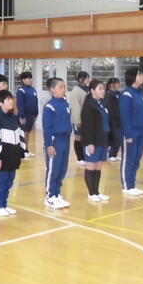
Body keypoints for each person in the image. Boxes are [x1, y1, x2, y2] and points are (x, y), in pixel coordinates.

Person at [0, 89, 26, 217]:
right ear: (0, 103)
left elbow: (19, 135)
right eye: (8, 99)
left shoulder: (14, 118)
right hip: (1, 158)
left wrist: (21, 151)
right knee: (1, 182)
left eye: (11, 98)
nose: (11, 101)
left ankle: (4, 204)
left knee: (9, 181)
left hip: (12, 157)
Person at [42, 77, 72, 209]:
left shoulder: (65, 104)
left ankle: (56, 193)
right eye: (60, 87)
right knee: (53, 169)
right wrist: (49, 145)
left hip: (65, 139)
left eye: (64, 87)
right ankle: (49, 196)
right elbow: (47, 128)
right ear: (52, 89)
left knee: (62, 168)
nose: (63, 89)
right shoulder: (49, 106)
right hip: (55, 140)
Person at [80, 80, 111, 203]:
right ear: (92, 91)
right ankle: (91, 193)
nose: (103, 91)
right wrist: (89, 143)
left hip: (102, 139)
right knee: (91, 167)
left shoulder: (101, 104)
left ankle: (96, 191)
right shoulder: (89, 106)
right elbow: (86, 127)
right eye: (100, 88)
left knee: (98, 167)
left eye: (103, 88)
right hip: (93, 141)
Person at [119, 68, 143, 197]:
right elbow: (124, 116)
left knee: (137, 159)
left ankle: (132, 183)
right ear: (133, 77)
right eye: (139, 74)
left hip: (142, 132)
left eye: (142, 74)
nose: (142, 76)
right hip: (131, 132)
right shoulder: (127, 94)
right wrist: (128, 134)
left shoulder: (142, 94)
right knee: (129, 159)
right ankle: (127, 185)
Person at [68, 71, 91, 166]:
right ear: (81, 79)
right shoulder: (76, 91)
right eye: (87, 78)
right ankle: (80, 158)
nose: (88, 80)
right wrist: (78, 120)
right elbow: (75, 107)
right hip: (78, 119)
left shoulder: (88, 89)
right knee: (78, 138)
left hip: (87, 119)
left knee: (85, 138)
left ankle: (85, 156)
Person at [16, 71, 39, 159]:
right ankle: (22, 151)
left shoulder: (33, 90)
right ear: (23, 80)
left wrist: (36, 113)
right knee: (24, 133)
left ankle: (26, 149)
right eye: (27, 78)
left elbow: (35, 102)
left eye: (30, 78)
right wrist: (22, 116)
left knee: (28, 133)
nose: (30, 80)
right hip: (24, 116)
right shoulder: (21, 91)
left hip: (32, 116)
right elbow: (20, 105)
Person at [104, 78, 122, 162]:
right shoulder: (109, 95)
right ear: (111, 85)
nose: (118, 84)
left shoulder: (118, 94)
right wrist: (112, 120)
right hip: (113, 119)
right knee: (116, 138)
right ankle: (111, 154)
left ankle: (114, 154)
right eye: (116, 83)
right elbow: (109, 109)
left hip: (118, 119)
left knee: (118, 138)